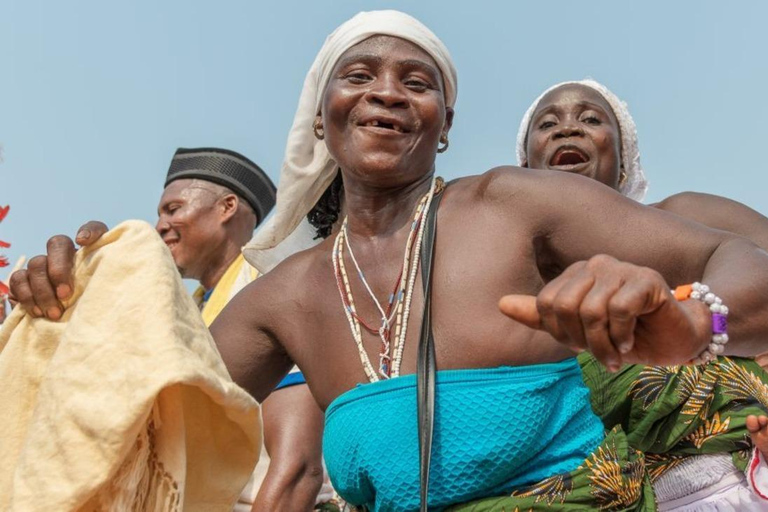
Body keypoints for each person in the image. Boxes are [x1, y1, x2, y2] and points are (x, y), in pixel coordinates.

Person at [12, 11, 768, 511]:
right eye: (359, 76)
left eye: (417, 83)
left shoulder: (510, 206)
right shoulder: (286, 297)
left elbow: (739, 255)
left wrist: (696, 318)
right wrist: (74, 320)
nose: (387, 95)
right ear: (322, 115)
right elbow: (137, 428)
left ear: (445, 125)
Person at [517, 78, 768, 510]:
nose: (567, 129)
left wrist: (712, 323)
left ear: (625, 162)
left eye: (591, 119)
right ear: (522, 172)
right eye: (548, 123)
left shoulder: (688, 219)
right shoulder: (515, 283)